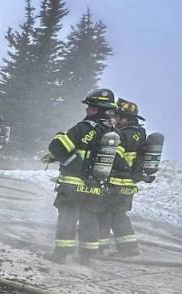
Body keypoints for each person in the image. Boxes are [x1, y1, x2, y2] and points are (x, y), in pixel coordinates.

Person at [46, 88, 117, 264]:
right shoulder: (113, 133)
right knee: (89, 219)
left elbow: (58, 147)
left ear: (96, 109)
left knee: (68, 217)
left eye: (90, 107)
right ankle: (87, 256)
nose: (87, 110)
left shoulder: (83, 128)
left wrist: (59, 137)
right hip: (95, 185)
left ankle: (61, 254)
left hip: (73, 183)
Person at [99, 99, 146, 256]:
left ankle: (98, 247)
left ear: (124, 117)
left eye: (117, 116)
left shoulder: (125, 133)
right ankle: (129, 248)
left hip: (116, 180)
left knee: (104, 211)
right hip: (127, 182)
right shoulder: (138, 132)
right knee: (118, 214)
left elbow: (114, 154)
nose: (114, 119)